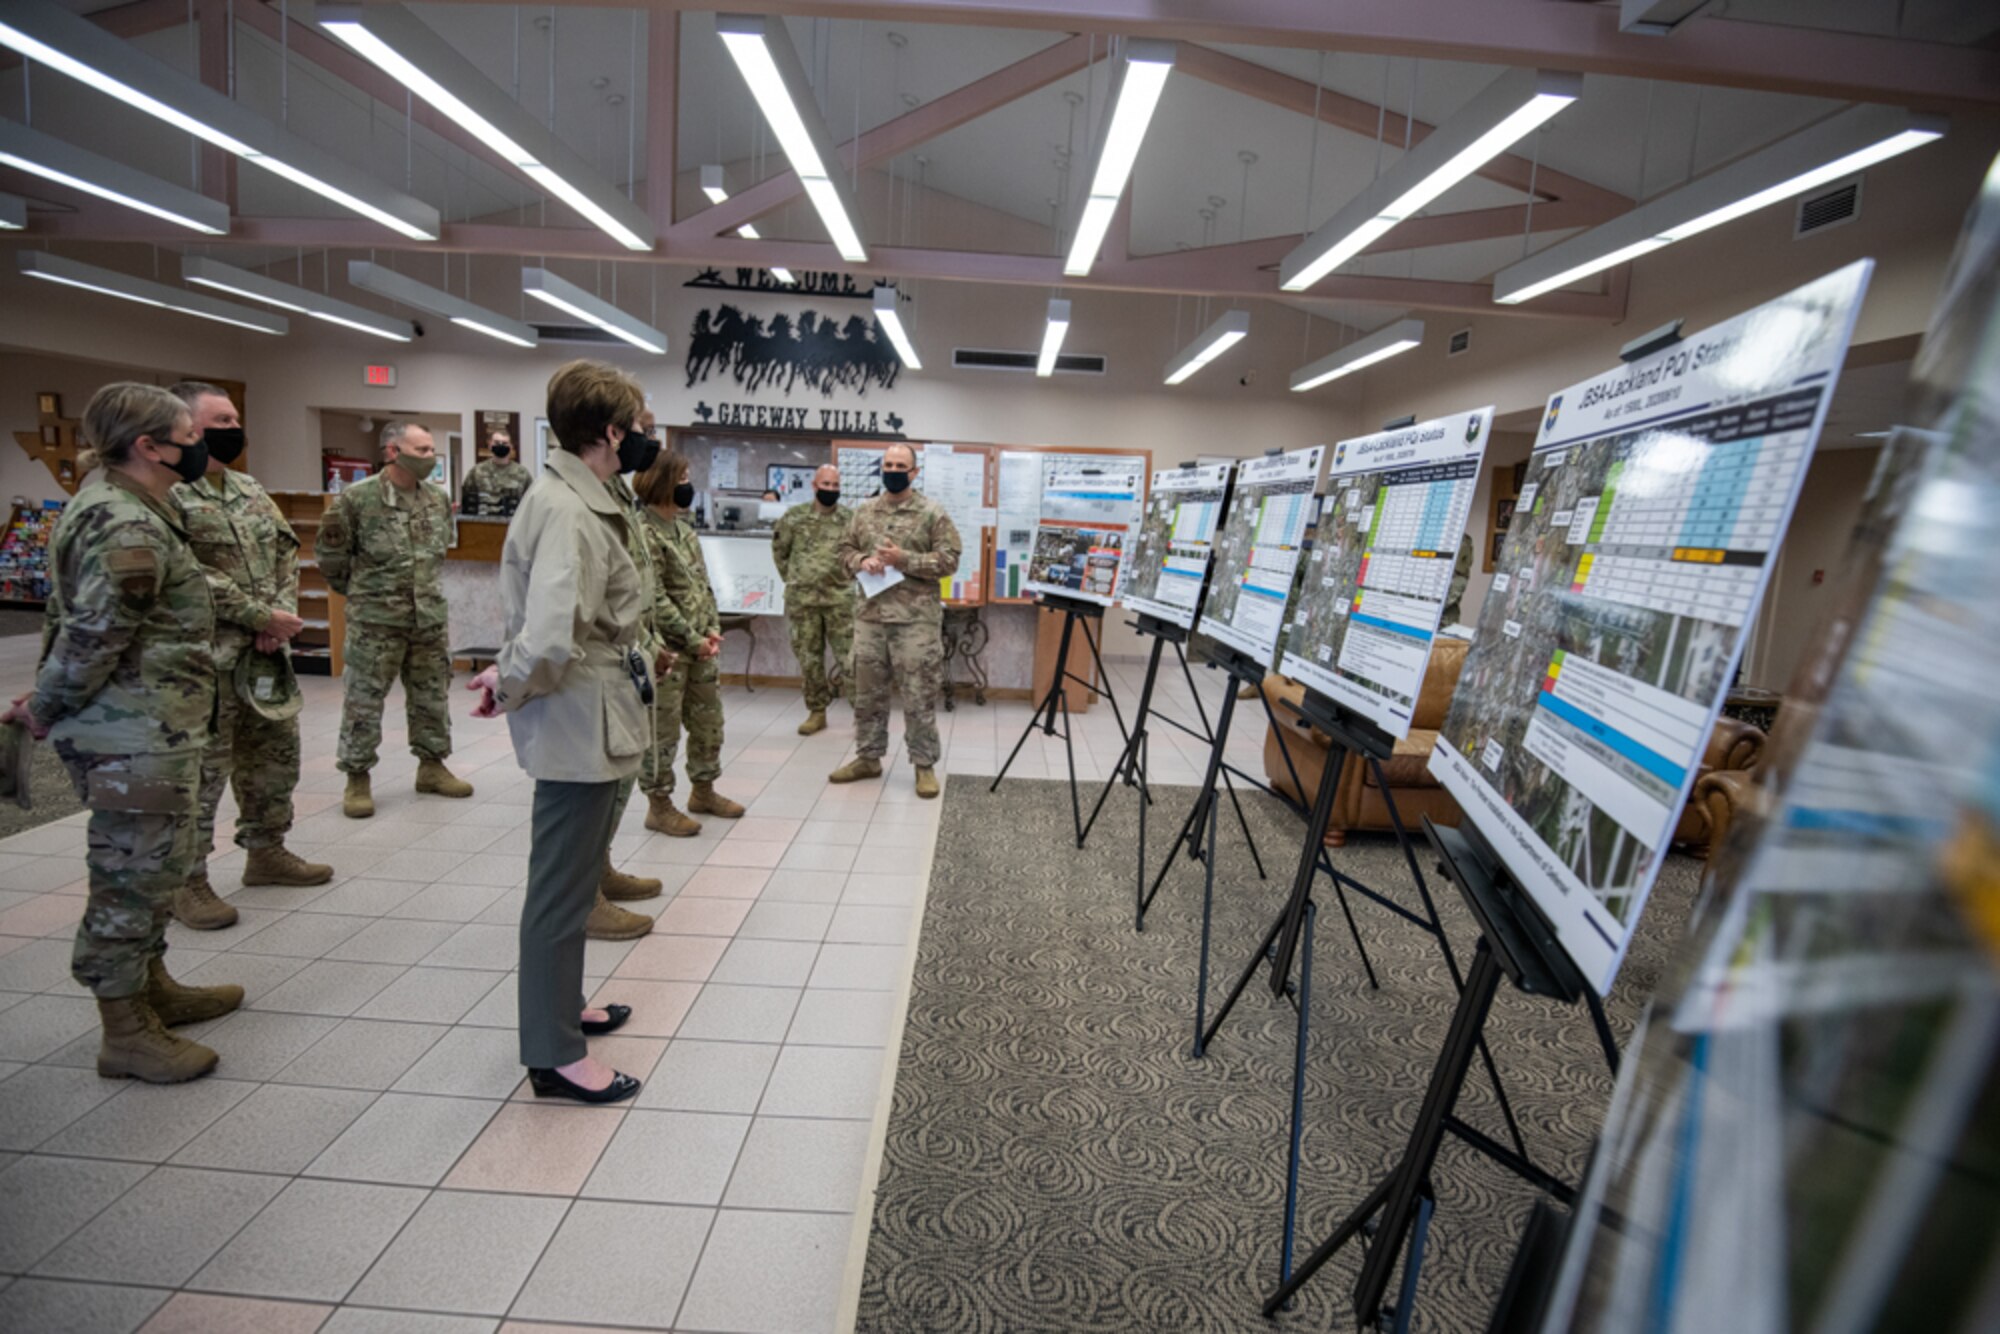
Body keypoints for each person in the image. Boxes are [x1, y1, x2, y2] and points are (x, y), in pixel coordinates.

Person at [1, 383, 244, 1083]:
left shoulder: (138, 504)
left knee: (157, 865)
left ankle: (151, 986)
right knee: (129, 878)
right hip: (131, 731)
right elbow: (94, 636)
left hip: (153, 722)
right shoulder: (124, 522)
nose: (199, 445)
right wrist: (42, 709)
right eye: (187, 435)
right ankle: (125, 1030)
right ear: (149, 446)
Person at [468, 360, 659, 1104]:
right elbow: (550, 638)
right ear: (609, 433)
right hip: (580, 715)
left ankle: (562, 1008)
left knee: (575, 881)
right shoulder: (571, 509)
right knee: (558, 890)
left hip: (592, 708)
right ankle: (553, 1054)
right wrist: (509, 680)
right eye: (639, 427)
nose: (646, 440)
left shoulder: (588, 494)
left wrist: (504, 674)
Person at [169, 382, 331, 931]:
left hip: (263, 658)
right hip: (204, 662)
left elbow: (288, 554)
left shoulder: (248, 488)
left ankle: (267, 851)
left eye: (235, 417)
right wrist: (261, 617)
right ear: (187, 428)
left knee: (272, 759)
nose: (232, 427)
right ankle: (187, 881)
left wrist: (279, 616)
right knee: (203, 772)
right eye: (219, 420)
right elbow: (186, 573)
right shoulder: (169, 495)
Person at [317, 422, 474, 817]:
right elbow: (332, 559)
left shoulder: (436, 500)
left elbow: (439, 554)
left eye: (430, 450)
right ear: (392, 451)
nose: (429, 458)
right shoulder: (356, 499)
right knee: (364, 701)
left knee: (431, 696)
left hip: (428, 618)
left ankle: (432, 766)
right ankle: (357, 776)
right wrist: (367, 597)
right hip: (376, 621)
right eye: (420, 450)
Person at [831, 443, 960, 798]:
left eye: (900, 464)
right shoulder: (864, 511)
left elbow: (949, 561)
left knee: (918, 695)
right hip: (870, 618)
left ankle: (924, 766)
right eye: (888, 464)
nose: (893, 469)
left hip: (915, 621)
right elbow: (842, 551)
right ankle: (868, 758)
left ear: (914, 472)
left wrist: (905, 559)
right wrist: (860, 561)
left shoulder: (932, 513)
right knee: (867, 694)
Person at [631, 447, 744, 835]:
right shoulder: (642, 533)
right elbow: (655, 598)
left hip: (700, 647)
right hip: (669, 651)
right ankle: (659, 804)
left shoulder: (683, 529)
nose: (688, 487)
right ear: (660, 481)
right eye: (681, 480)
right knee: (663, 731)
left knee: (708, 722)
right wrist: (691, 639)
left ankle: (704, 790)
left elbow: (702, 585)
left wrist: (711, 628)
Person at [771, 462, 854, 736]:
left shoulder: (850, 520)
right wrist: (796, 579)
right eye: (826, 484)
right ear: (814, 485)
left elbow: (859, 556)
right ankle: (817, 712)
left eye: (835, 485)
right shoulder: (794, 518)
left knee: (851, 659)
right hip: (802, 601)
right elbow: (780, 552)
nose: (830, 490)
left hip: (840, 600)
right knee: (809, 659)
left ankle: (862, 716)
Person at [461, 430, 532, 518]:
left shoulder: (522, 473)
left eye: (505, 443)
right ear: (490, 445)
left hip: (512, 525)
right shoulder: (476, 472)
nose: (501, 445)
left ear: (511, 446)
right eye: (497, 442)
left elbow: (530, 503)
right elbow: (467, 502)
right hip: (482, 525)